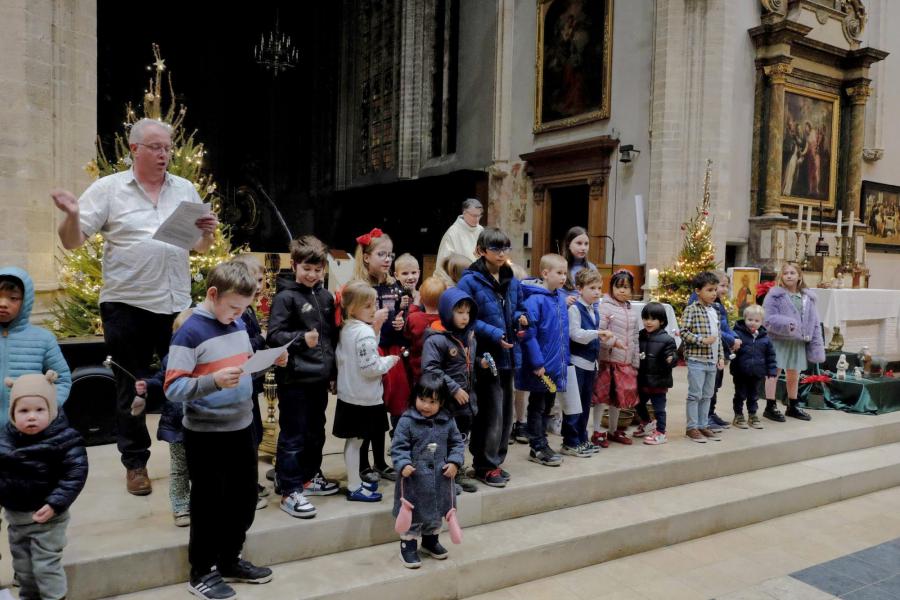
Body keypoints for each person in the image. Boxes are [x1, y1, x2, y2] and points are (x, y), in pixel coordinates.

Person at [51, 117, 219, 496]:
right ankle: (135, 463)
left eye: (168, 148)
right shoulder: (109, 189)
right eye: (156, 147)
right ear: (135, 150)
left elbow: (200, 248)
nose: (164, 155)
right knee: (132, 388)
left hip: (175, 305)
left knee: (185, 382)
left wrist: (207, 233)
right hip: (126, 305)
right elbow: (72, 243)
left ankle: (187, 456)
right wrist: (73, 215)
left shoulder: (185, 188)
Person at [164, 261, 285, 599]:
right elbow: (172, 389)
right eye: (233, 307)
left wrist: (266, 362)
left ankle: (230, 558)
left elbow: (242, 368)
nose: (238, 315)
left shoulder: (234, 322)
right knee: (209, 503)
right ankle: (201, 571)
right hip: (206, 433)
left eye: (244, 309)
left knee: (243, 497)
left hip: (241, 424)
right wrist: (211, 382)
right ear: (213, 294)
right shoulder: (189, 331)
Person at [267, 236, 340, 520]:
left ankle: (309, 478)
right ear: (294, 265)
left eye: (317, 270)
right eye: (306, 269)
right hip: (295, 380)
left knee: (315, 432)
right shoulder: (285, 297)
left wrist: (331, 373)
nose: (312, 275)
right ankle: (290, 488)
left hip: (318, 380)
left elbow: (330, 340)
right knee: (293, 435)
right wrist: (300, 339)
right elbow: (273, 335)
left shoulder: (325, 297)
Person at [0, 371, 87, 600]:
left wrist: (55, 503)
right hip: (17, 519)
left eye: (40, 410)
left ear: (52, 410)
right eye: (24, 411)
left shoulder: (65, 439)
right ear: (12, 413)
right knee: (24, 569)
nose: (31, 417)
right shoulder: (4, 440)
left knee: (46, 567)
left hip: (48, 519)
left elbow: (74, 474)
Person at [456, 227, 528, 488]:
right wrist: (494, 332)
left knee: (506, 412)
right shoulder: (470, 280)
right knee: (490, 411)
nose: (501, 254)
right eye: (496, 248)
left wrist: (522, 318)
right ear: (481, 251)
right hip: (485, 354)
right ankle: (484, 464)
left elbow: (520, 305)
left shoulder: (511, 277)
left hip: (508, 352)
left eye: (505, 248)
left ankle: (495, 461)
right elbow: (466, 319)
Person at [334, 281, 401, 502]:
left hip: (350, 394)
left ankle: (355, 480)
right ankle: (354, 485)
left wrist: (376, 330)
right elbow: (371, 367)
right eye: (368, 306)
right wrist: (391, 360)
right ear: (352, 308)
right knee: (355, 443)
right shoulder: (363, 332)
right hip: (362, 398)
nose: (373, 310)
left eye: (374, 304)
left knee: (354, 442)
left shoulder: (349, 328)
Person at [391, 374, 464, 569]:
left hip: (439, 478)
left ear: (441, 402)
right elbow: (399, 446)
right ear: (415, 397)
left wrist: (455, 462)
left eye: (432, 402)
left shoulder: (447, 421)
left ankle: (430, 541)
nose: (426, 406)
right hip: (413, 478)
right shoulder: (407, 421)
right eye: (422, 400)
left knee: (436, 512)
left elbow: (457, 443)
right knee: (412, 515)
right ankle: (408, 545)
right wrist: (403, 464)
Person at [353, 228, 407, 480]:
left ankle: (381, 461)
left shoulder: (393, 286)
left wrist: (399, 322)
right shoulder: (359, 288)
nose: (387, 259)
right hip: (368, 351)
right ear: (366, 257)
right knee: (368, 410)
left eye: (390, 255)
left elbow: (399, 316)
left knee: (387, 407)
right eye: (381, 254)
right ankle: (363, 463)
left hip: (391, 349)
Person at [135, 308, 195, 527]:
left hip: (203, 425)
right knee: (180, 468)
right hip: (178, 423)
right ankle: (180, 506)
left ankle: (200, 503)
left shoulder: (209, 359)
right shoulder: (171, 359)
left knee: (203, 468)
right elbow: (161, 379)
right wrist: (147, 385)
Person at [421, 287, 479, 493]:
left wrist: (480, 363)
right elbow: (430, 369)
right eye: (459, 312)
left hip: (464, 401)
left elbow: (466, 364)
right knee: (440, 440)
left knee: (459, 439)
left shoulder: (469, 336)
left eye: (468, 312)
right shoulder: (436, 338)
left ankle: (456, 471)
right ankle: (438, 477)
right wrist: (453, 389)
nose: (465, 317)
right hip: (445, 401)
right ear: (447, 311)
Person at [0, 267, 72, 426]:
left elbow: (63, 379)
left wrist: (47, 409)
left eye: (13, 298)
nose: (3, 303)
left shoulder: (43, 339)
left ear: (25, 302)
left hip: (28, 431)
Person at [517, 254, 570, 466]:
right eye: (559, 273)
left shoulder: (559, 298)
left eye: (565, 273)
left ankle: (542, 441)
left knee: (547, 404)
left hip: (554, 367)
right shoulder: (534, 300)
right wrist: (538, 363)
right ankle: (537, 447)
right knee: (537, 406)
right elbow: (529, 335)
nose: (564, 277)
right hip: (540, 367)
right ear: (545, 274)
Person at [229, 254, 271, 508]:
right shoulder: (236, 313)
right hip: (239, 386)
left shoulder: (250, 309)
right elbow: (242, 347)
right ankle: (242, 488)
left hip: (252, 385)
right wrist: (264, 338)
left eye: (261, 279)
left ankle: (250, 481)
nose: (259, 286)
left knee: (255, 436)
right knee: (244, 439)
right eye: (253, 280)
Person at [763, 262, 825, 421]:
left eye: (792, 273)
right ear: (781, 277)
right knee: (773, 373)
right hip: (779, 340)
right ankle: (770, 406)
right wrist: (787, 324)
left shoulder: (807, 297)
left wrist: (816, 342)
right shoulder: (775, 295)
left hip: (798, 342)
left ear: (799, 276)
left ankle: (793, 405)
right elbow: (767, 319)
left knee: (794, 374)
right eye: (786, 273)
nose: (789, 276)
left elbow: (814, 321)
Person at [563, 268, 614, 456]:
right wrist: (598, 333)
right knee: (574, 406)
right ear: (579, 289)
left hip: (590, 363)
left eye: (599, 288)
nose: (597, 292)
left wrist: (604, 339)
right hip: (577, 363)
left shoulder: (595, 309)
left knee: (585, 405)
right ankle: (570, 441)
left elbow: (592, 334)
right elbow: (575, 334)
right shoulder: (575, 309)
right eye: (592, 288)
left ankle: (582, 439)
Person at [592, 270, 640, 446]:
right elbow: (600, 333)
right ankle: (597, 431)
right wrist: (613, 344)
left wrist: (634, 361)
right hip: (608, 361)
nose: (622, 291)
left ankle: (613, 431)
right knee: (601, 398)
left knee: (618, 400)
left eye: (626, 287)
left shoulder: (632, 310)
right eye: (618, 287)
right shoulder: (605, 306)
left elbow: (635, 337)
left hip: (624, 362)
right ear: (611, 287)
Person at [680, 272, 726, 443]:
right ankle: (692, 427)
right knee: (695, 395)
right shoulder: (691, 309)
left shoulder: (715, 310)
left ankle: (703, 424)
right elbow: (683, 332)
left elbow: (718, 336)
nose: (714, 293)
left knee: (707, 395)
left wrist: (721, 356)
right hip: (697, 360)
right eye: (709, 290)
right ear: (698, 291)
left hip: (712, 360)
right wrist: (701, 340)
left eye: (715, 289)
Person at [689, 272, 739, 431]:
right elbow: (709, 331)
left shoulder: (717, 304)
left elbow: (722, 326)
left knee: (714, 385)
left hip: (718, 350)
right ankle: (700, 421)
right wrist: (731, 340)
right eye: (719, 286)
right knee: (700, 390)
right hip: (703, 353)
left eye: (724, 286)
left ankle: (710, 413)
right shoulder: (697, 305)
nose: (722, 290)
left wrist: (735, 337)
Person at [636, 303, 678, 445]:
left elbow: (672, 354)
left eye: (653, 319)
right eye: (645, 318)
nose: (648, 322)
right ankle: (647, 423)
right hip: (642, 379)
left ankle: (661, 432)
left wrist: (671, 359)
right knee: (638, 403)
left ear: (661, 321)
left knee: (659, 408)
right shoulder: (640, 335)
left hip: (659, 381)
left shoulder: (667, 339)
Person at [730, 305, 777, 430]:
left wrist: (772, 371)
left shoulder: (765, 338)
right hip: (741, 372)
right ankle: (738, 415)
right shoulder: (737, 334)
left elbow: (770, 356)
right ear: (744, 319)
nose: (753, 323)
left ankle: (753, 414)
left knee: (753, 395)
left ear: (761, 322)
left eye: (757, 321)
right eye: (750, 320)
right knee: (740, 394)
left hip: (757, 372)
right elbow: (732, 351)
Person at [405, 277, 447, 386]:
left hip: (417, 368)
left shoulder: (414, 317)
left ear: (421, 299)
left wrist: (414, 305)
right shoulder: (447, 320)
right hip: (441, 369)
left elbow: (407, 335)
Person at [434, 199, 484, 284]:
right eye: (474, 216)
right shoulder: (452, 233)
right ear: (464, 214)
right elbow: (444, 264)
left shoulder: (481, 230)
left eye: (479, 215)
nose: (477, 219)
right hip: (459, 282)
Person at [561, 226, 596, 304]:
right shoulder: (560, 267)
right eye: (579, 243)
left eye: (586, 244)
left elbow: (596, 297)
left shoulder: (592, 268)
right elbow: (552, 294)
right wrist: (563, 301)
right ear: (568, 244)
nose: (583, 248)